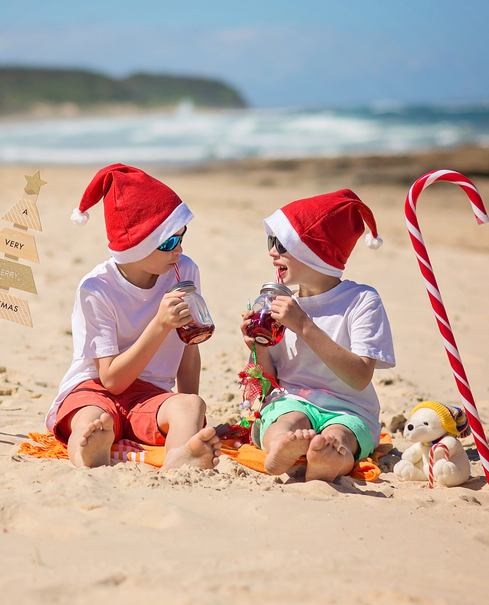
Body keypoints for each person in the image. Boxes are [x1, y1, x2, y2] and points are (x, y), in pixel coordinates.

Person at [45, 164, 221, 469]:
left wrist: (189, 415)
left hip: (149, 395)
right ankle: (87, 453)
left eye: (182, 237)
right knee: (91, 418)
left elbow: (188, 352)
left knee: (191, 405)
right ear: (135, 244)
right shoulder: (97, 288)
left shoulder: (185, 272)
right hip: (94, 387)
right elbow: (111, 380)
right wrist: (160, 324)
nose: (178, 249)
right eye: (168, 242)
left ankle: (181, 459)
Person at [240, 190, 395, 481]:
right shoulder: (279, 303)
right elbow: (268, 381)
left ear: (315, 252)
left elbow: (360, 377)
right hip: (292, 399)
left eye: (282, 244)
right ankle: (280, 449)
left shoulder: (362, 300)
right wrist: (257, 345)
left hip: (349, 407)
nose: (272, 252)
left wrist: (304, 326)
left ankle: (329, 459)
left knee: (342, 434)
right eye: (271, 242)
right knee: (286, 420)